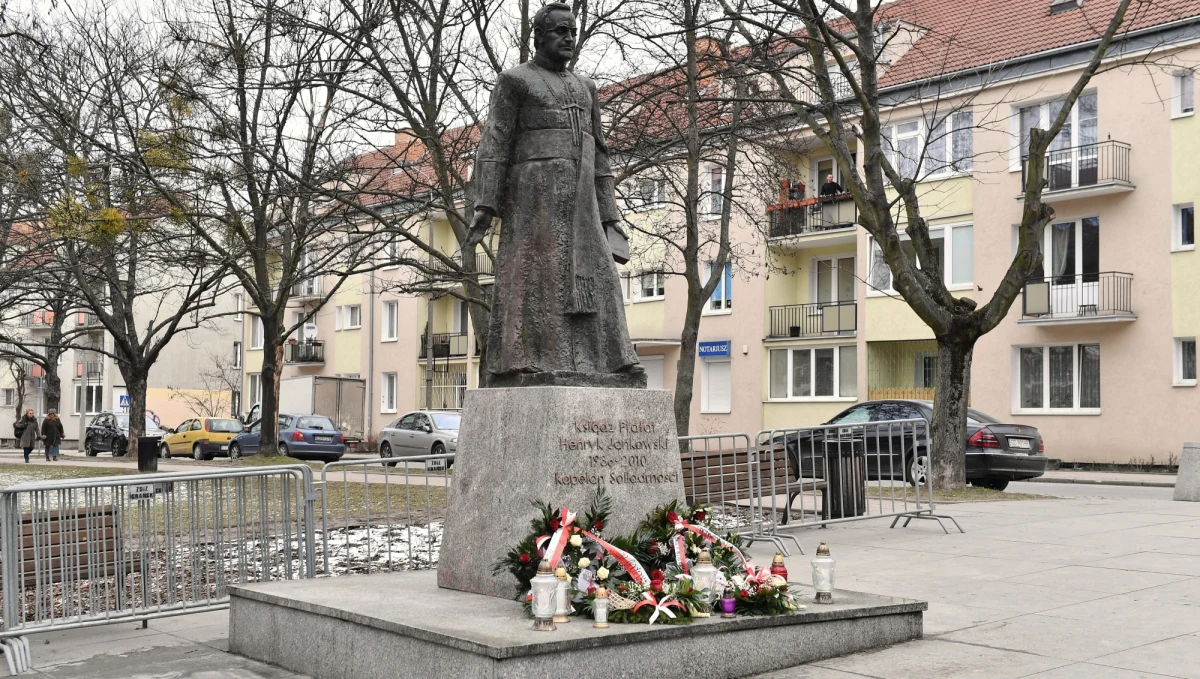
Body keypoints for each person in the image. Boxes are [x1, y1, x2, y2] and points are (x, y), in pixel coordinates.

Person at [465, 2, 643, 388]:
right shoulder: (515, 80)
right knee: (535, 275)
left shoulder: (587, 88)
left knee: (600, 278)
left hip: (581, 200)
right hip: (534, 195)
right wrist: (486, 203)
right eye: (560, 31)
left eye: (572, 32)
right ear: (540, 36)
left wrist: (610, 215)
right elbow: (496, 141)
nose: (568, 39)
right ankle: (523, 360)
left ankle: (611, 360)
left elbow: (600, 155)